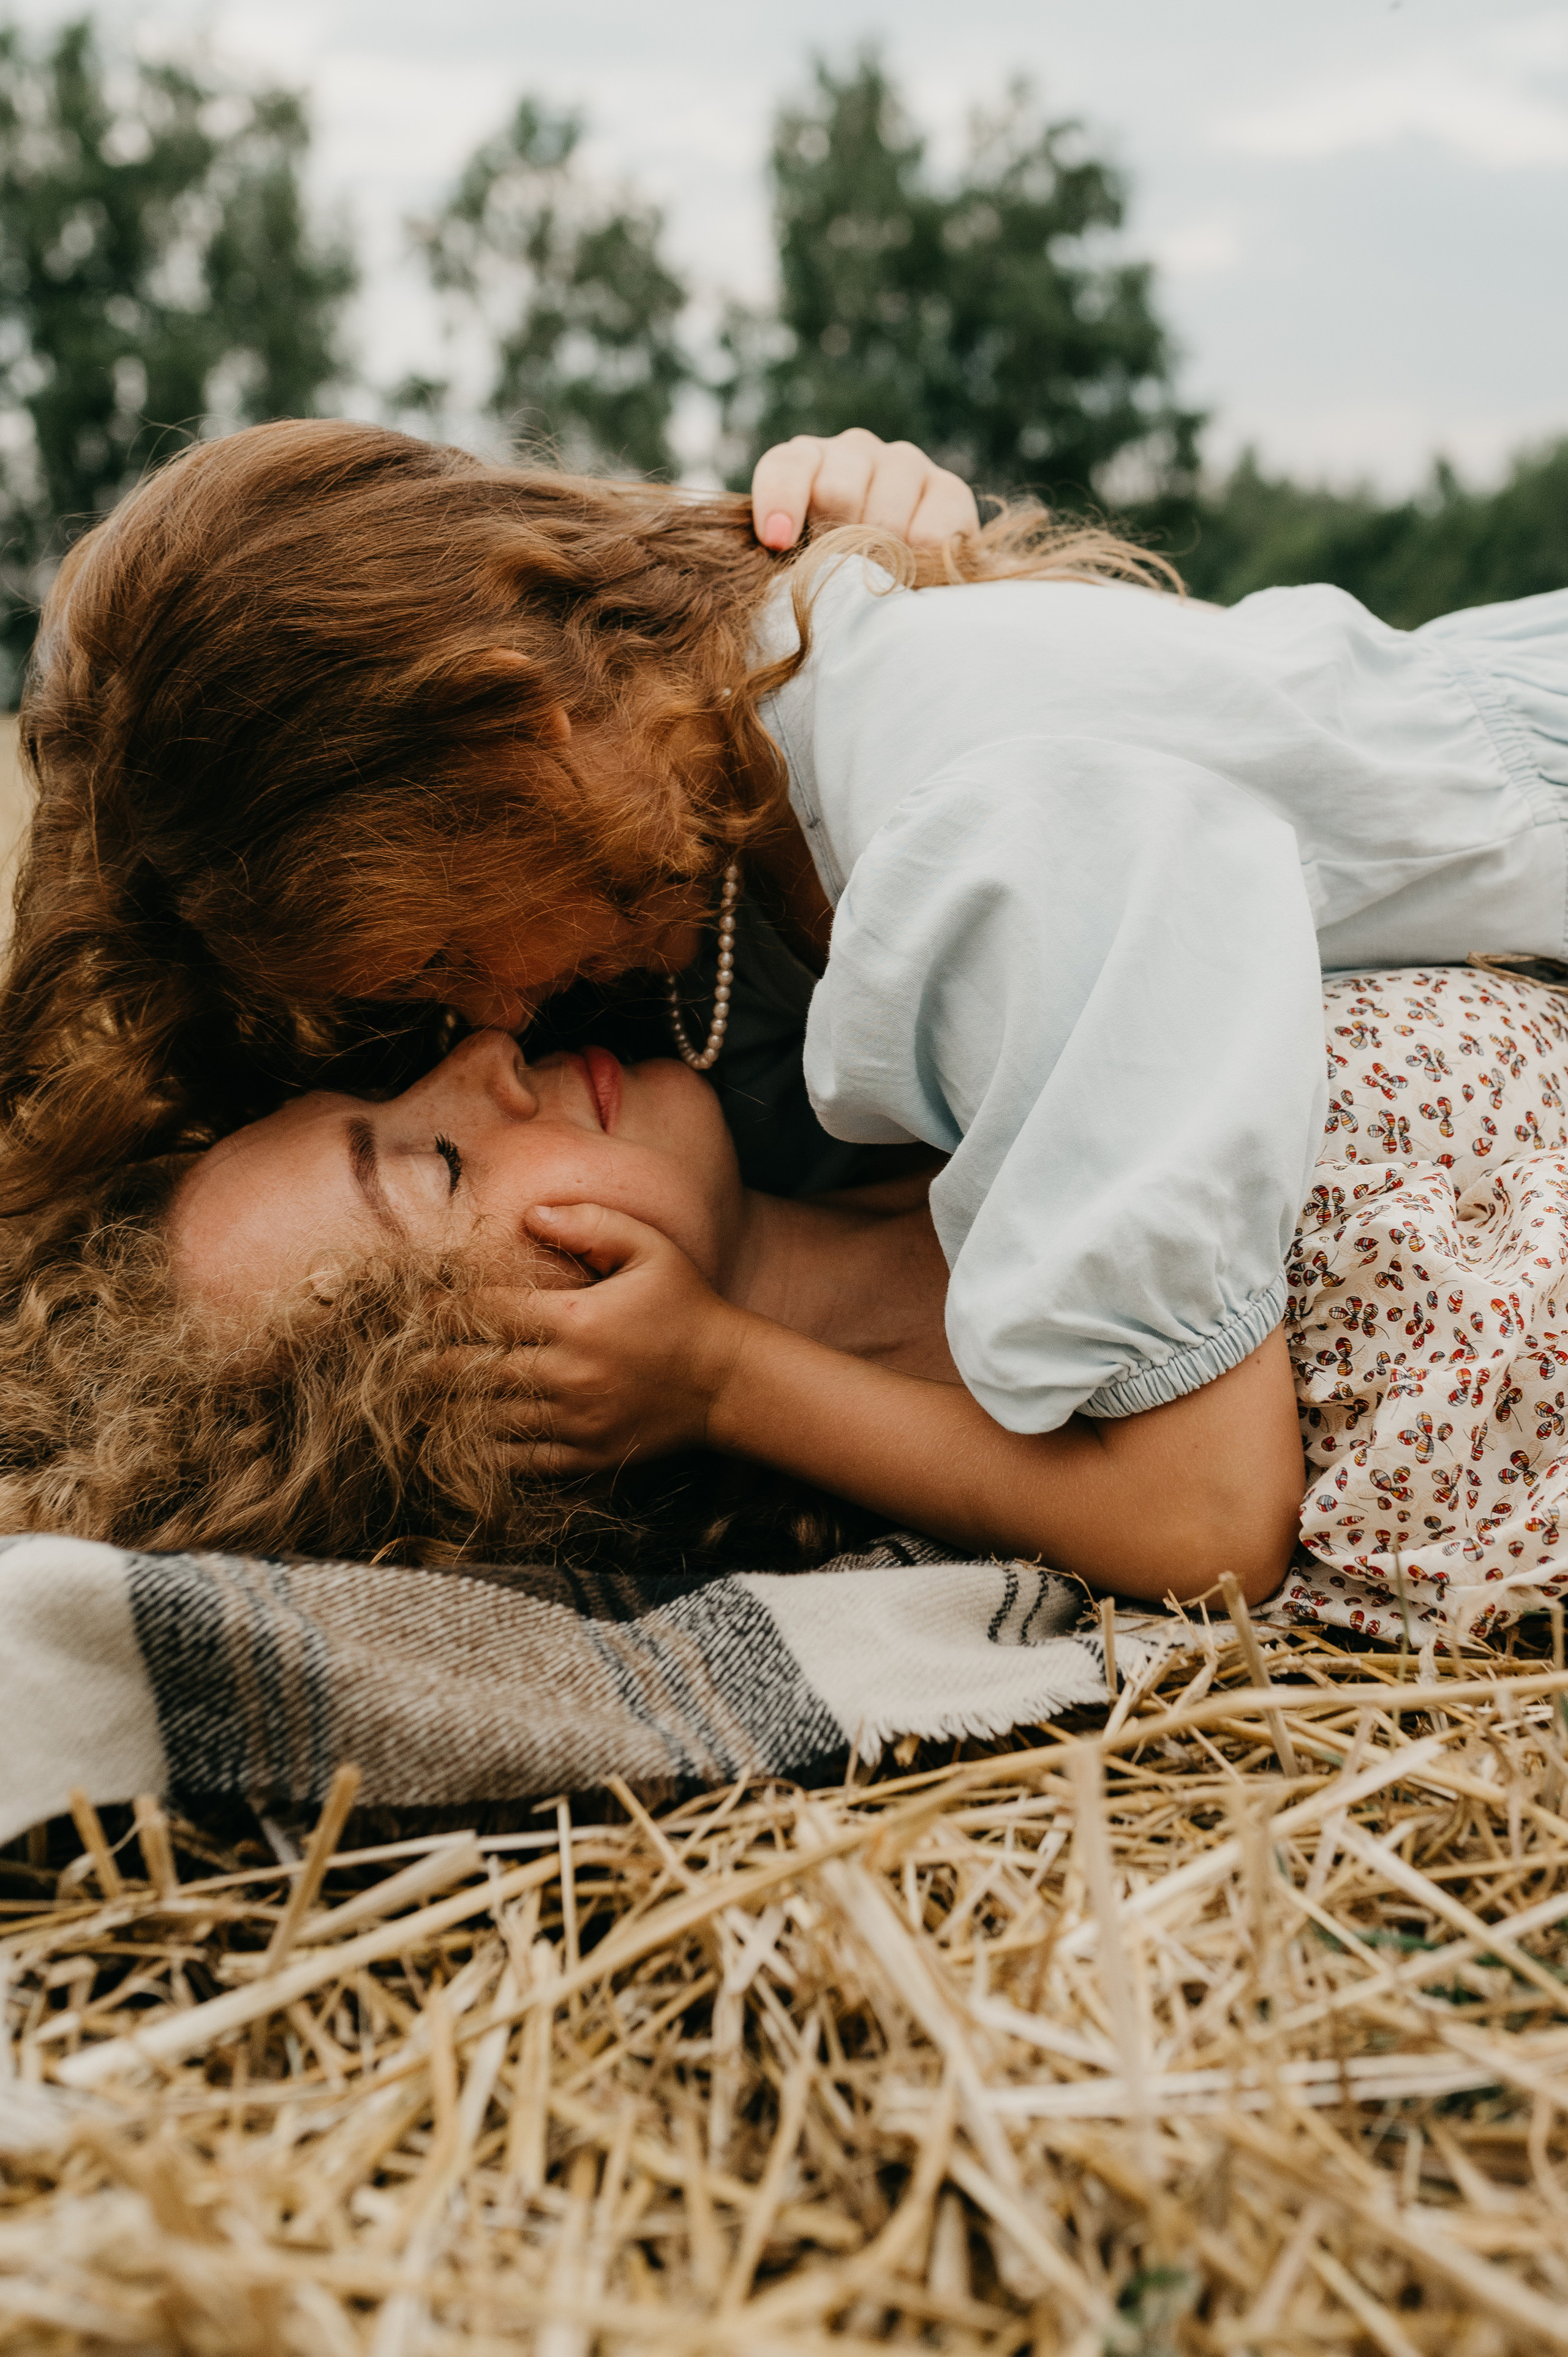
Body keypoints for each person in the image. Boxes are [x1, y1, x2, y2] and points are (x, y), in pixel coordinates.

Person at [6, 418, 1568, 1474]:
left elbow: (1205, 1507)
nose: (482, 1026)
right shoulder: (685, 901)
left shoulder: (959, 818)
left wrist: (720, 1381)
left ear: (510, 742)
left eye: (431, 955)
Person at [5, 962, 1567, 1640]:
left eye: (394, 1081)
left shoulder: (881, 1065)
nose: (481, 1059)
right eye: (433, 1162)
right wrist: (720, 1377)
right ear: (512, 1408)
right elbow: (1203, 1531)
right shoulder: (947, 1443)